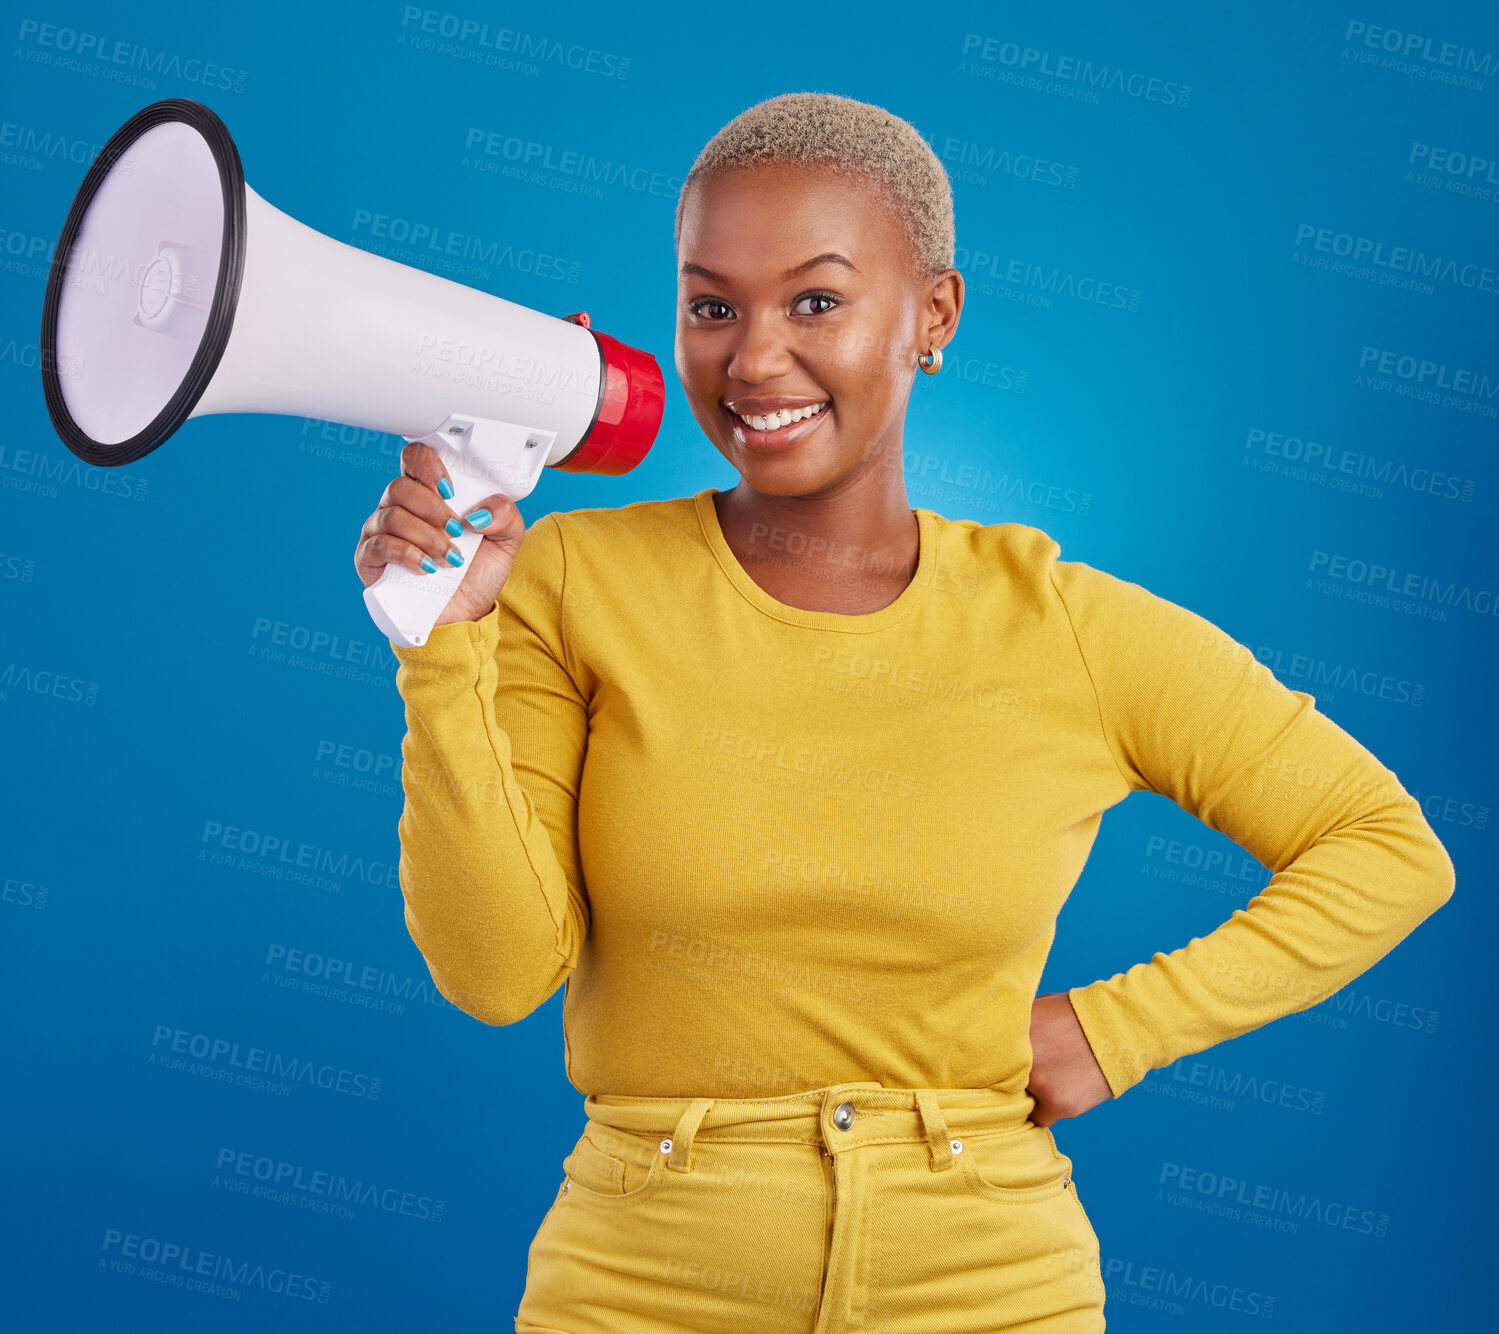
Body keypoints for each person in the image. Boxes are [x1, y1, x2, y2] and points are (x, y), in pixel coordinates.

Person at [353, 92, 1455, 1334]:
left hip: (988, 1286)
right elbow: (496, 972)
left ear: (932, 315)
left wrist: (1114, 1028)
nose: (754, 357)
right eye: (712, 305)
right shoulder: (568, 581)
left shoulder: (1063, 624)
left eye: (815, 300)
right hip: (642, 1283)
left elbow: (1384, 846)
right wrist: (441, 647)